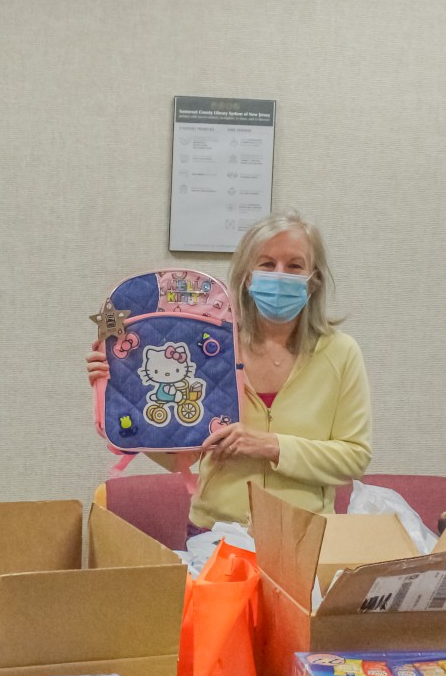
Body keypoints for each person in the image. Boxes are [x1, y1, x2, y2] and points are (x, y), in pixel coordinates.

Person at [86, 210, 372, 531]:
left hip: (304, 536)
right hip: (215, 532)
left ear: (313, 279)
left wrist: (270, 445)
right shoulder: (210, 347)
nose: (279, 275)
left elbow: (354, 459)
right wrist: (123, 395)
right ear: (248, 277)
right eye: (266, 264)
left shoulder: (340, 353)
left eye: (294, 266)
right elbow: (180, 455)